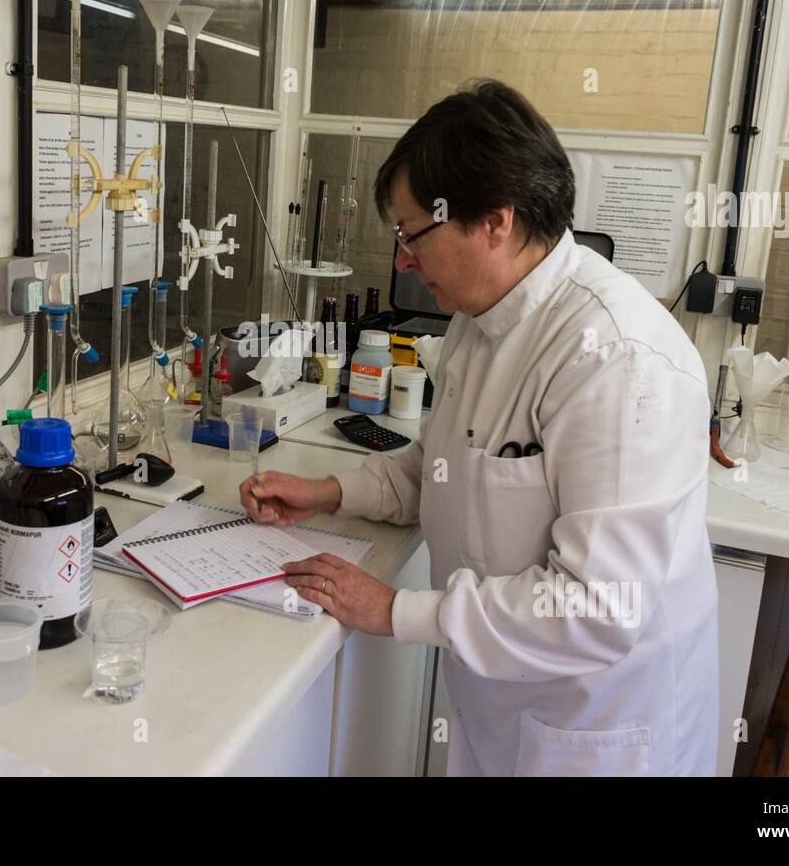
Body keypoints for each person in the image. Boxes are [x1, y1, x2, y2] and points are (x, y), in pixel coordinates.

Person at [238, 79, 719, 776]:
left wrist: (396, 610)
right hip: (507, 706)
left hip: (601, 728)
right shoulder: (477, 317)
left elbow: (595, 608)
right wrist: (330, 491)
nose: (403, 259)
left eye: (413, 235)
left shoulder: (616, 359)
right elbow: (443, 465)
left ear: (495, 221)